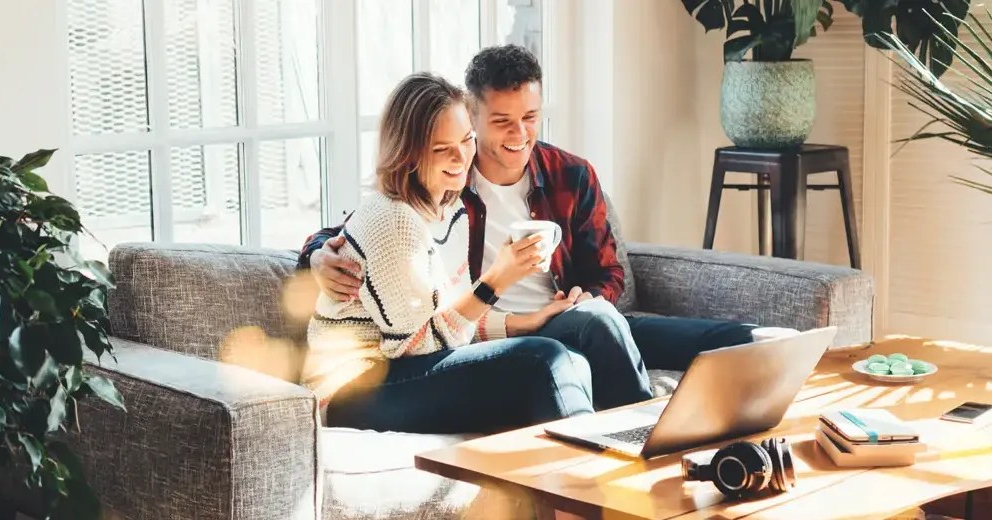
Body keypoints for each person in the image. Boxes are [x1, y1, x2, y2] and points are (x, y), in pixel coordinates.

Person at [298, 45, 757, 412]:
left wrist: (582, 300)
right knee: (576, 341)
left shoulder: (567, 176)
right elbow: (365, 235)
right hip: (485, 336)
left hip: (559, 317)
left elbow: (609, 273)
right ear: (472, 116)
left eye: (530, 118)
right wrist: (319, 255)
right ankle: (640, 445)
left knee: (733, 340)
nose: (519, 134)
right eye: (501, 122)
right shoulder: (445, 186)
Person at [301, 72, 595, 435]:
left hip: (402, 372)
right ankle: (591, 478)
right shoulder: (394, 220)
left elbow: (448, 317)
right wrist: (496, 281)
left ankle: (612, 460)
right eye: (442, 149)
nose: (461, 156)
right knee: (542, 361)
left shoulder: (450, 209)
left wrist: (521, 322)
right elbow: (415, 345)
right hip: (352, 391)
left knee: (572, 363)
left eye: (467, 140)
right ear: (407, 153)